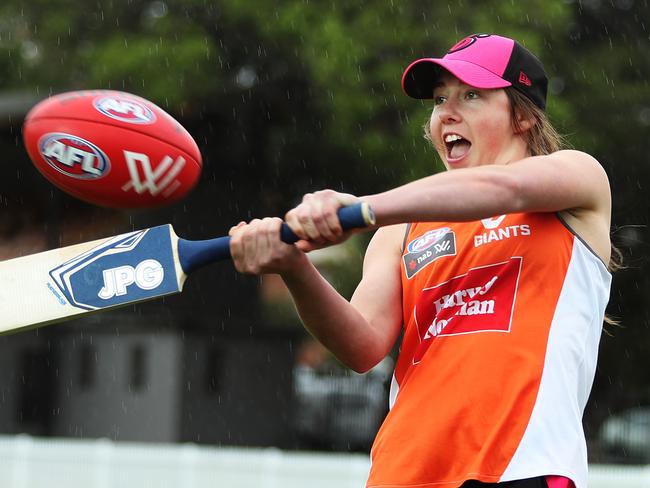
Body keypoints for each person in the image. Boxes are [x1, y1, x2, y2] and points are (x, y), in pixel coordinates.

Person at [229, 33, 613, 488]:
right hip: (403, 475)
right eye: (439, 99)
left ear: (524, 115)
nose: (447, 112)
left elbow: (501, 189)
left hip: (520, 470)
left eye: (471, 95)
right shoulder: (401, 229)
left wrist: (362, 209)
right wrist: (293, 267)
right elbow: (362, 346)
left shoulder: (578, 179)